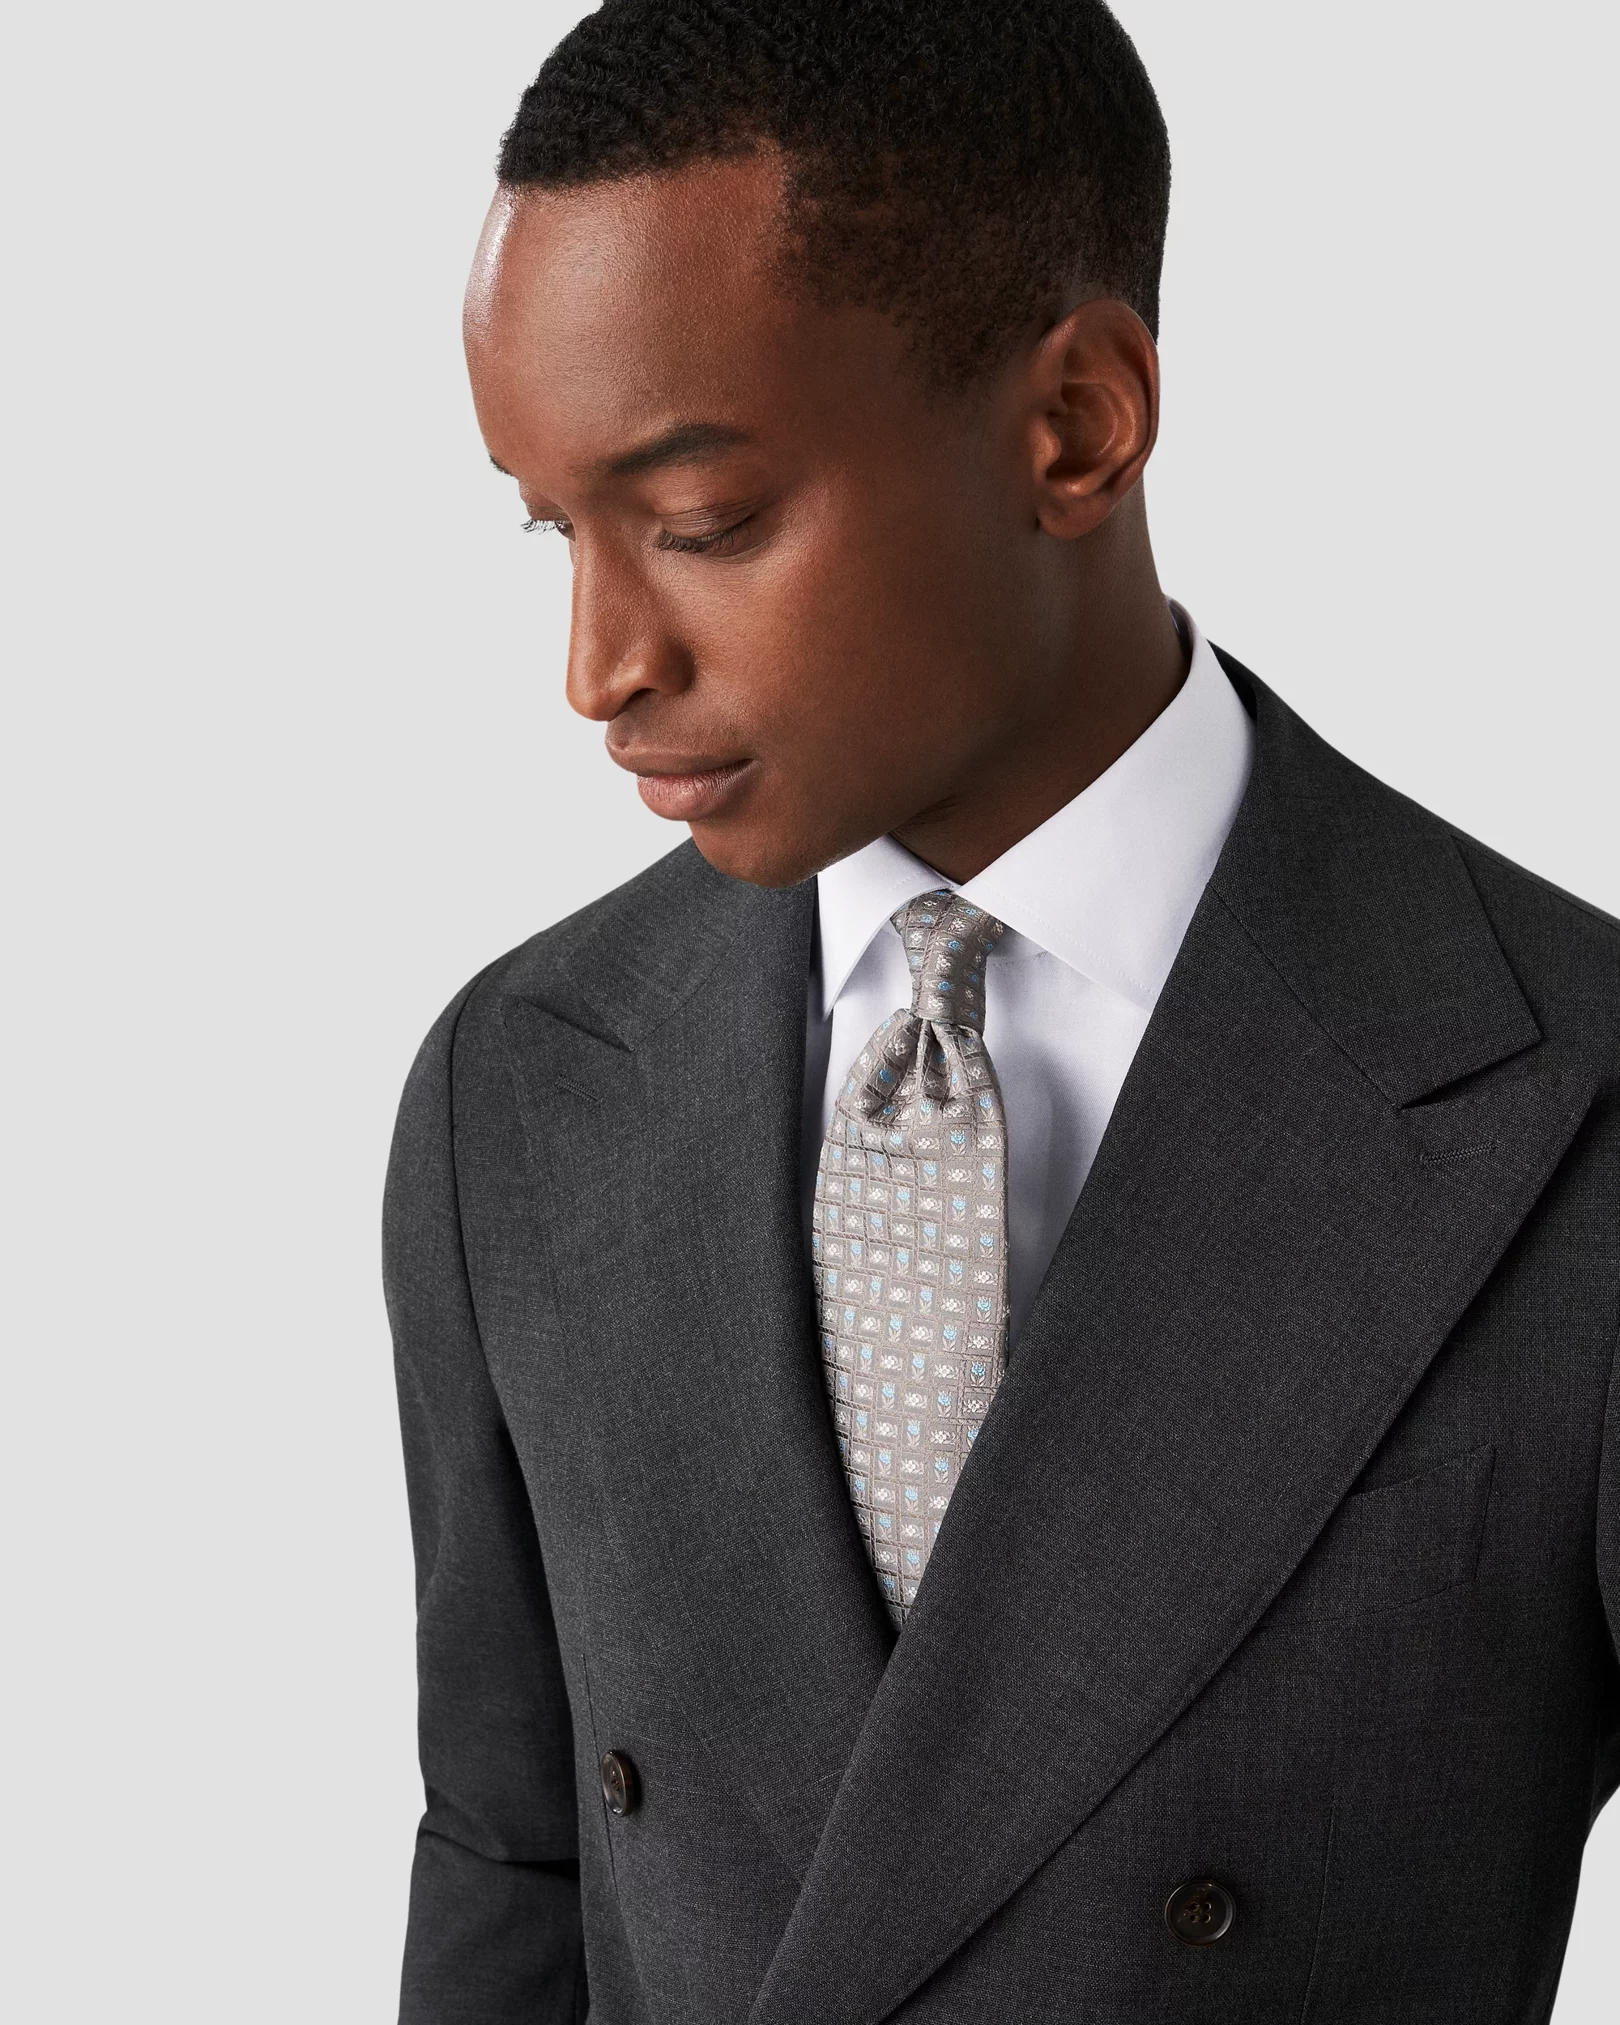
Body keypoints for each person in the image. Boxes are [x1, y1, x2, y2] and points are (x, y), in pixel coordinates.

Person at [384, 3, 1620, 2019]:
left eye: (701, 521)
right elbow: (511, 1863)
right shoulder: (520, 1090)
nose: (599, 664)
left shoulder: (1570, 1102)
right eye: (554, 528)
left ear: (1077, 426)